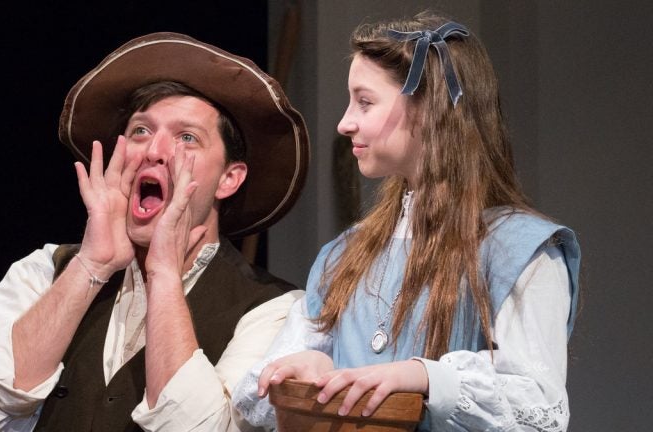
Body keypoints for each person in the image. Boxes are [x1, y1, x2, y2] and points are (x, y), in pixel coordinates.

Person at [233, 11, 580, 432]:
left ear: (428, 109)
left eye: (365, 101)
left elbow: (539, 410)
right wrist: (309, 369)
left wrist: (426, 376)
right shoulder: (344, 256)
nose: (345, 122)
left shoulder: (519, 251)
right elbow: (258, 397)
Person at [0, 32, 309, 432]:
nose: (154, 150)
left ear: (228, 179)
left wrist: (165, 276)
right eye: (140, 131)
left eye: (187, 137)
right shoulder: (45, 270)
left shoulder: (274, 310)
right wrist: (91, 264)